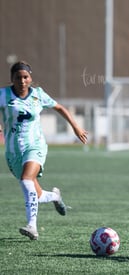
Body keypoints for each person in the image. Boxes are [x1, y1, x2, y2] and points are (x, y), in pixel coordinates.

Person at [0, 61, 88, 240]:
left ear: (31, 78)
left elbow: (59, 108)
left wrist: (76, 127)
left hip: (35, 145)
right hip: (12, 151)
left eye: (26, 77)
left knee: (26, 180)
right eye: (18, 77)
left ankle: (32, 226)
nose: (22, 81)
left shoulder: (38, 95)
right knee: (35, 193)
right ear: (12, 79)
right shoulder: (3, 95)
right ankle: (54, 197)